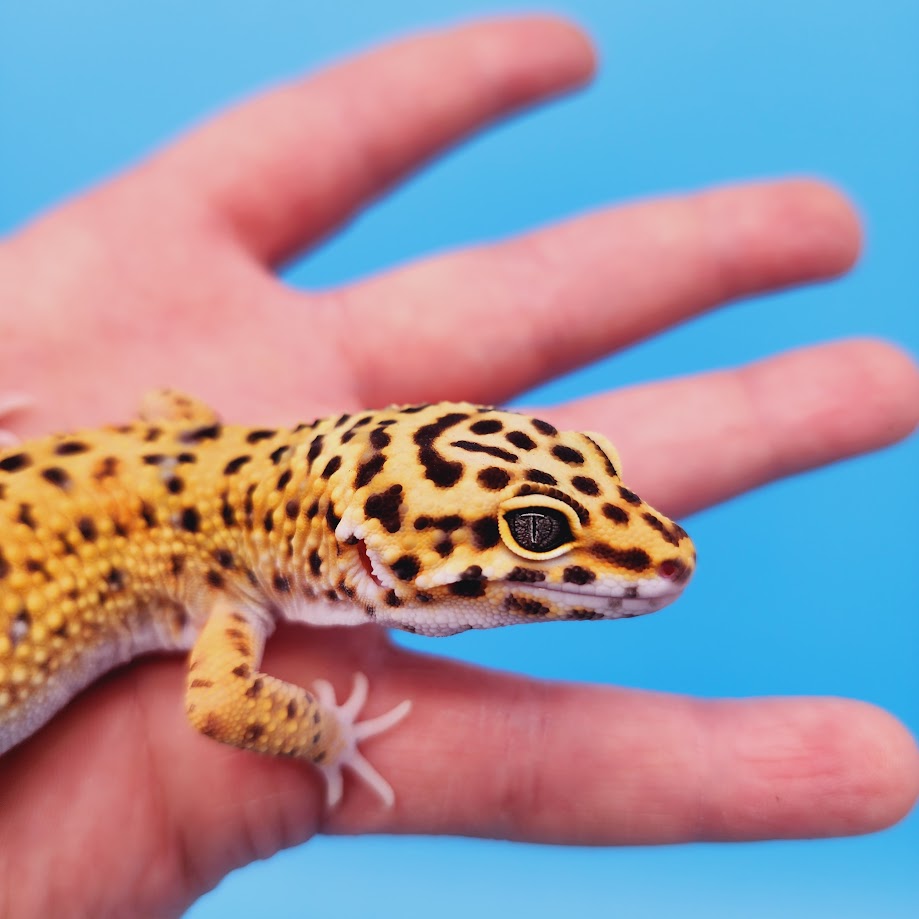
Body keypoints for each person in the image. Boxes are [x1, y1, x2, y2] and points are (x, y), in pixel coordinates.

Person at [1, 16, 917, 918]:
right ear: (368, 559)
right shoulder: (221, 574)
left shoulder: (193, 453)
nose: (654, 549)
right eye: (538, 534)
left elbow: (165, 415)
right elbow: (221, 708)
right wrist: (324, 736)